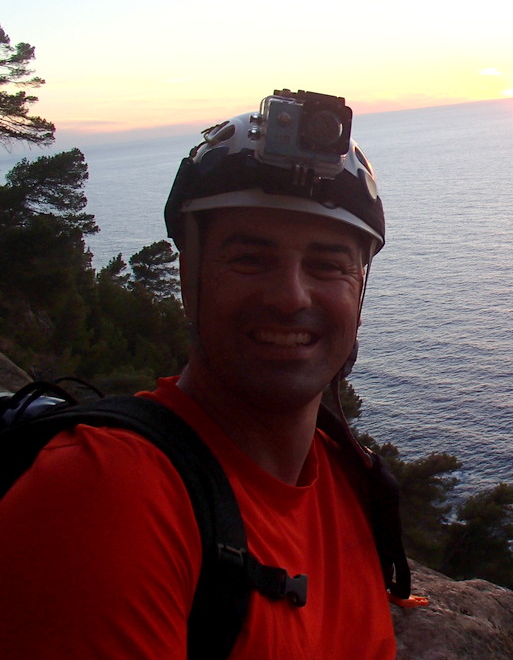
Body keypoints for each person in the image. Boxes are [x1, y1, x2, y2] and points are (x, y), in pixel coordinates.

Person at [0, 90, 400, 658]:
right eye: (250, 258)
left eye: (328, 265)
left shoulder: (350, 483)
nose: (291, 296)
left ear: (361, 288)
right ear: (189, 275)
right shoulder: (107, 496)